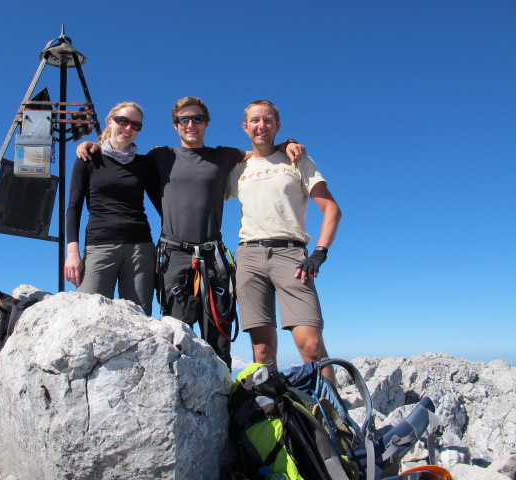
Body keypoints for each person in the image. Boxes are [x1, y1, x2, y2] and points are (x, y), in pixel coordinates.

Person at [77, 97, 304, 369]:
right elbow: (123, 158)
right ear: (175, 125)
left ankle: (224, 403)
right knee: (176, 335)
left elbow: (260, 150)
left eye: (197, 118)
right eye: (184, 119)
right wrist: (92, 146)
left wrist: (285, 143)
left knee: (219, 337)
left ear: (206, 123)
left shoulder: (224, 156)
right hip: (173, 255)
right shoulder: (160, 157)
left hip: (213, 255)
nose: (191, 124)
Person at [227, 100, 341, 380]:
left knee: (311, 346)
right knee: (262, 353)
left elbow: (332, 210)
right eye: (254, 120)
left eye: (268, 120)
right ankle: (274, 416)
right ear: (245, 127)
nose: (261, 126)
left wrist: (319, 253)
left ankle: (332, 418)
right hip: (249, 257)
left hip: (291, 256)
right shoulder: (237, 168)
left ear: (278, 126)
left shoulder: (297, 159)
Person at [65, 102, 161, 316]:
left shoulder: (145, 164)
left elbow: (164, 207)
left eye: (136, 125)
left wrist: (164, 249)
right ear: (111, 121)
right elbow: (74, 207)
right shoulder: (88, 158)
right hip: (99, 246)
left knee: (139, 320)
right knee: (87, 316)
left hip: (140, 249)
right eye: (123, 121)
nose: (128, 128)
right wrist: (72, 252)